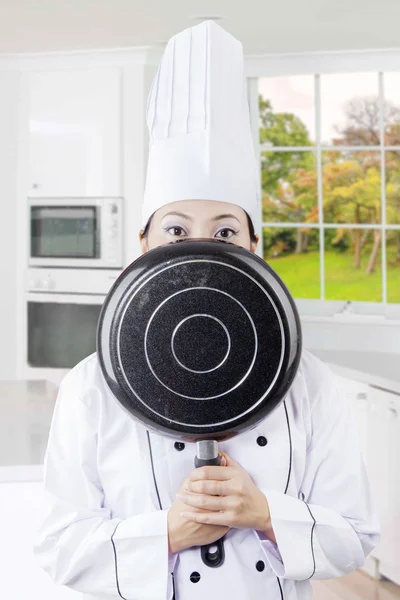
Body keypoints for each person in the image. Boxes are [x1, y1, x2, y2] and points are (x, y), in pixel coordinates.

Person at [33, 20, 379, 600]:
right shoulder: (92, 386)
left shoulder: (309, 384)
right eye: (175, 230)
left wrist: (265, 513)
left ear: (252, 249)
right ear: (144, 247)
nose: (199, 248)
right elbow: (60, 547)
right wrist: (169, 532)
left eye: (224, 230)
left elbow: (354, 536)